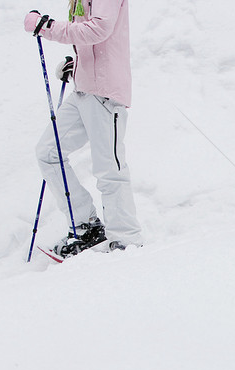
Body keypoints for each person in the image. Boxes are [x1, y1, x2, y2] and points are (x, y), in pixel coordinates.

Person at [25, 0, 143, 257]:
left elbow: (98, 29)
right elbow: (93, 42)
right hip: (84, 89)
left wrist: (47, 27)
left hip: (105, 93)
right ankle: (86, 226)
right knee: (48, 152)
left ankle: (127, 239)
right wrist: (77, 69)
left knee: (109, 169)